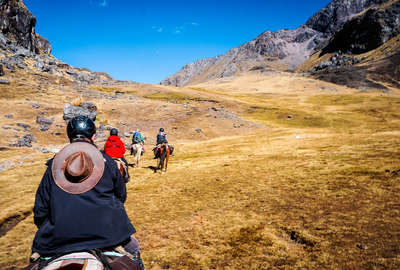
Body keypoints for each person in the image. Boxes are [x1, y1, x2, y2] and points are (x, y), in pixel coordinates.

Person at [30, 115, 144, 268]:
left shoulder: (52, 166)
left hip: (57, 238)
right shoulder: (108, 163)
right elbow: (121, 196)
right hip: (108, 234)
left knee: (36, 262)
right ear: (93, 135)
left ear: (69, 135)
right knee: (134, 250)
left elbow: (40, 211)